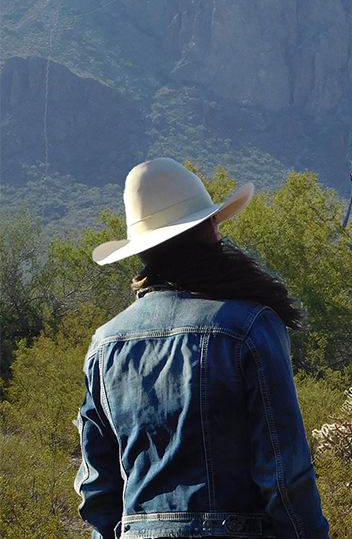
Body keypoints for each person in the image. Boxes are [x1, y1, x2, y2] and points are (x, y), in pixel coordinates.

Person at [75, 158, 330, 539]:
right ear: (210, 228)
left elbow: (98, 489)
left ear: (142, 252)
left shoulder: (104, 345)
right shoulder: (250, 326)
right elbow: (284, 475)